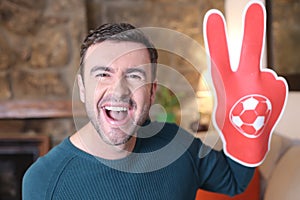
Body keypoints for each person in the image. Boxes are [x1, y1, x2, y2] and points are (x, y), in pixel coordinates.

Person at [22, 23, 255, 200]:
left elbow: (234, 180)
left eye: (134, 76)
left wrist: (247, 115)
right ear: (82, 89)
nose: (119, 90)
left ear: (152, 92)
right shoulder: (44, 180)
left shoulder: (177, 144)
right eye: (103, 74)